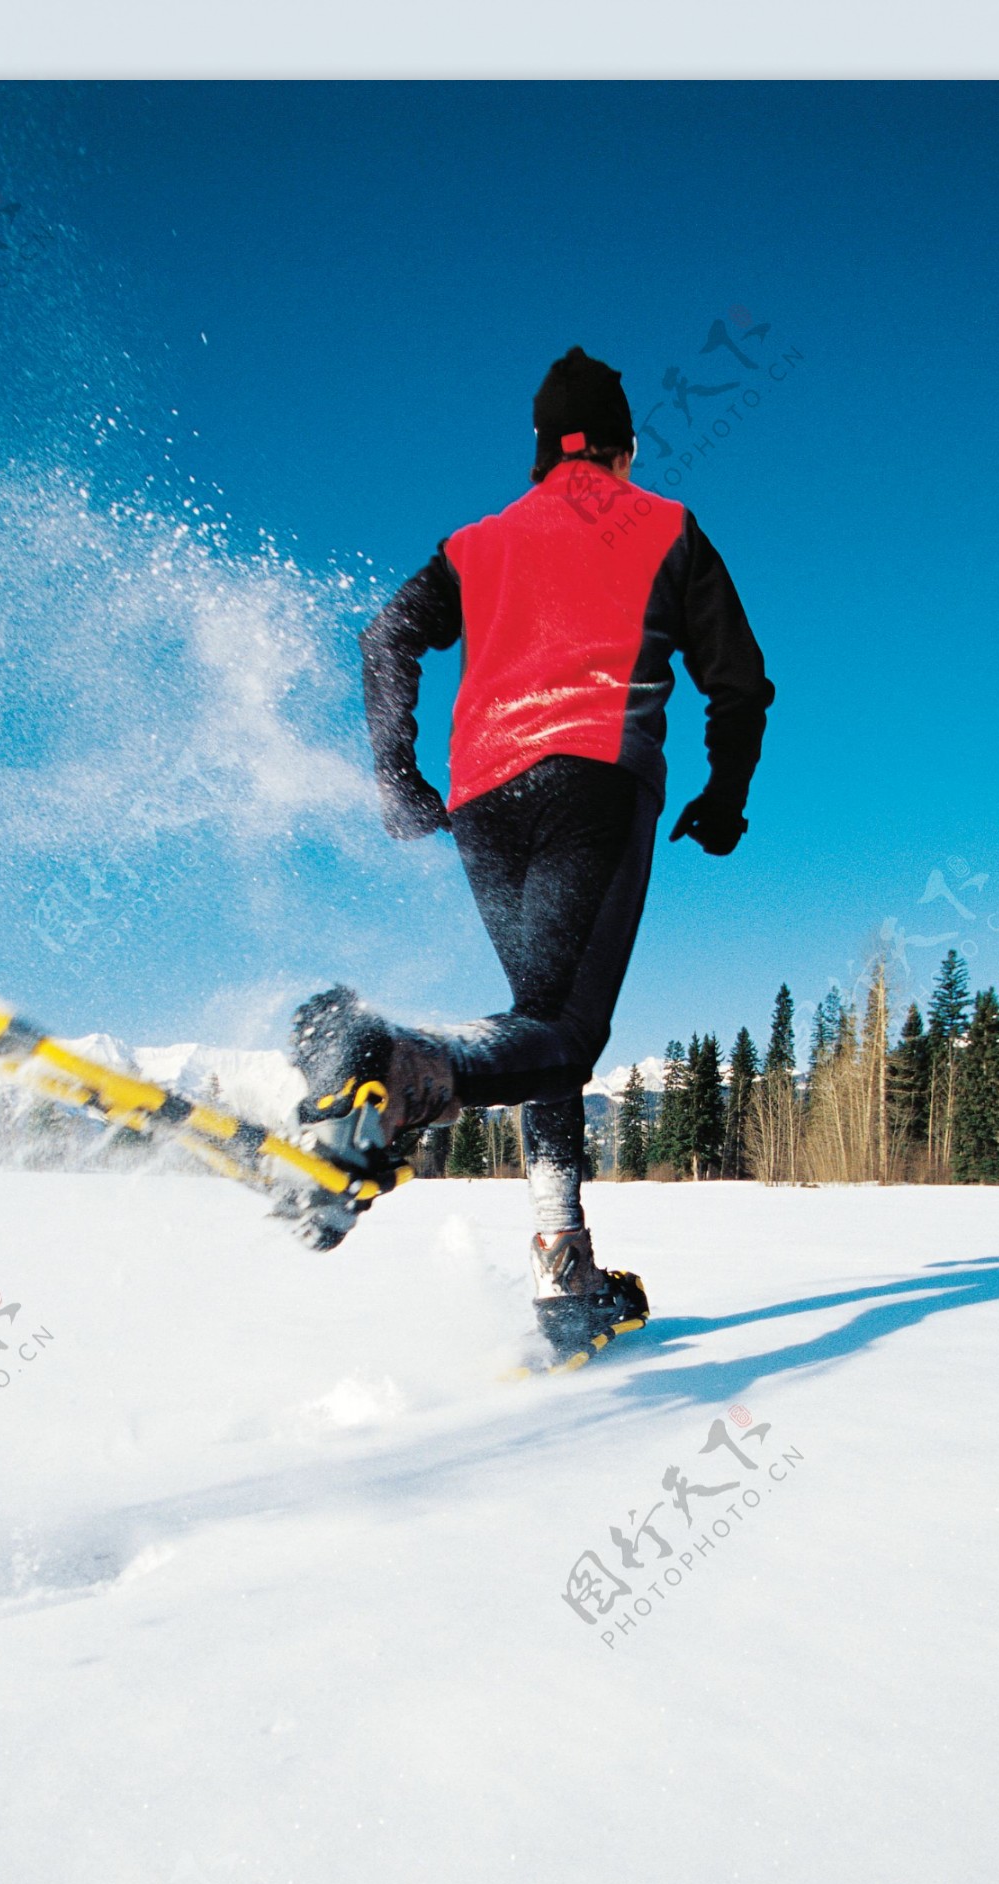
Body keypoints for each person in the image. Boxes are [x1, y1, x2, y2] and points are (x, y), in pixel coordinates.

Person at [286, 347, 774, 1349]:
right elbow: (740, 682)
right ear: (624, 447)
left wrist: (397, 776)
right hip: (594, 778)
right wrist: (725, 798)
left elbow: (386, 637)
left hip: (486, 801)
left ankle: (561, 1255)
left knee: (536, 1022)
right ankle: (393, 1068)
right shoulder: (667, 524)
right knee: (565, 1032)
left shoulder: (480, 540)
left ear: (541, 452)